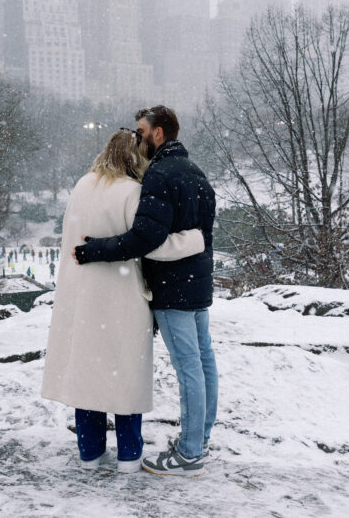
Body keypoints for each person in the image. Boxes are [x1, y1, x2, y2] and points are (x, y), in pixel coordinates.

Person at [41, 129, 205, 474]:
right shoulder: (133, 192)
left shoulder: (82, 186)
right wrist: (192, 240)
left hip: (81, 299)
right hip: (122, 299)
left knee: (89, 378)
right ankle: (129, 455)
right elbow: (147, 243)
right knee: (124, 376)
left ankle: (90, 453)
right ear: (136, 157)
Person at [74, 105, 217, 478]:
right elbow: (203, 234)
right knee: (203, 362)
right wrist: (195, 243)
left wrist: (95, 250)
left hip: (174, 289)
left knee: (189, 367)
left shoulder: (158, 174)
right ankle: (198, 442)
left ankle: (188, 454)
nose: (137, 138)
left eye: (140, 131)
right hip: (198, 286)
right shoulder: (196, 172)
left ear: (157, 134)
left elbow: (145, 239)